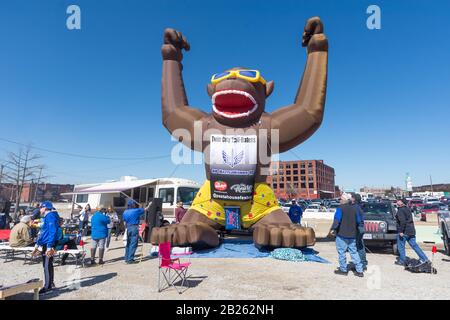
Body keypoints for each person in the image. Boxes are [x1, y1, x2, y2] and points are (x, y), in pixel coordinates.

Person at [330, 193, 365, 277]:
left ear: (345, 200)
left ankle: (343, 269)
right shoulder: (354, 209)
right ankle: (359, 270)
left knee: (342, 252)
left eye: (341, 199)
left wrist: (333, 229)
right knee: (354, 252)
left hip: (342, 235)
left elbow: (337, 220)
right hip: (352, 235)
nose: (340, 200)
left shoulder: (340, 208)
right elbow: (359, 221)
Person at [32, 201, 61, 295]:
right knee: (47, 264)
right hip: (46, 242)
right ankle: (51, 283)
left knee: (46, 265)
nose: (40, 209)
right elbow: (44, 232)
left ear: (46, 208)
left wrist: (49, 246)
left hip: (49, 243)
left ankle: (48, 286)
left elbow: (53, 231)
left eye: (41, 207)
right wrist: (38, 243)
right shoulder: (47, 216)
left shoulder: (51, 216)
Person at [395, 199, 430, 266]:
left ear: (402, 203)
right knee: (415, 246)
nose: (397, 202)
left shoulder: (400, 210)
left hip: (404, 232)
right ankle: (424, 259)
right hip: (411, 231)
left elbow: (402, 222)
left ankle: (402, 261)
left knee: (401, 246)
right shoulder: (407, 209)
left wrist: (401, 231)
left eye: (398, 201)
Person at [123, 200, 150, 264]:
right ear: (133, 205)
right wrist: (149, 205)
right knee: (133, 243)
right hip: (134, 227)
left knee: (128, 243)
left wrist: (126, 228)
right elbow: (145, 209)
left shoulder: (125, 212)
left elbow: (124, 222)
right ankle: (130, 259)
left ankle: (126, 258)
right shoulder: (136, 211)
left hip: (128, 227)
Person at [351, 193, 368, 270]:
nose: (350, 199)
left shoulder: (355, 207)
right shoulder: (359, 206)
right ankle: (363, 263)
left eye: (351, 197)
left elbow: (356, 220)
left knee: (357, 247)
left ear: (354, 199)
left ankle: (361, 264)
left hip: (357, 228)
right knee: (360, 246)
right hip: (361, 228)